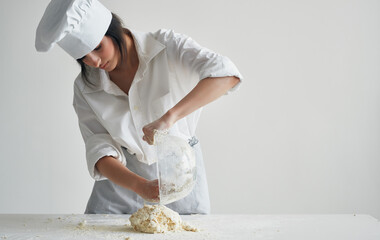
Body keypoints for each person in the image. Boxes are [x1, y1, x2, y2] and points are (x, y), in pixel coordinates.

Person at [35, 0, 243, 214]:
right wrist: (139, 185)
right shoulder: (85, 88)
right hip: (122, 179)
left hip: (180, 171)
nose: (95, 62)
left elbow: (227, 75)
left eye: (97, 48)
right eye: (83, 58)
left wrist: (171, 116)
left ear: (114, 30)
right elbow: (99, 149)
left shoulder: (167, 46)